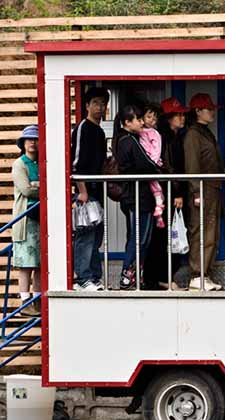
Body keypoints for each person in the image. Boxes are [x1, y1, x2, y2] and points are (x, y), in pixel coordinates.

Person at [112, 104, 161, 290]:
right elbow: (146, 164)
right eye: (138, 119)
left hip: (134, 195)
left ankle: (134, 276)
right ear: (127, 122)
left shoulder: (123, 139)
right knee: (139, 237)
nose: (142, 123)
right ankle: (127, 275)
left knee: (139, 237)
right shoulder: (129, 140)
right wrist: (158, 168)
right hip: (137, 195)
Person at [143, 96, 190, 290]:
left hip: (167, 192)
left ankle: (163, 276)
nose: (182, 118)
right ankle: (159, 278)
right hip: (167, 193)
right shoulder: (165, 138)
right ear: (168, 118)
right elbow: (169, 168)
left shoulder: (174, 136)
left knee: (169, 236)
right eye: (177, 115)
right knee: (162, 238)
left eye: (182, 114)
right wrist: (177, 192)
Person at [70, 86, 110, 291]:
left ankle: (94, 277)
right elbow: (76, 164)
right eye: (95, 103)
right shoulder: (82, 128)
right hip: (85, 193)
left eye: (103, 103)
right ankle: (82, 278)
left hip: (97, 191)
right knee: (85, 235)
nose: (100, 107)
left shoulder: (100, 131)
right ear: (86, 105)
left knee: (96, 236)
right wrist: (82, 190)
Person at [184, 93, 224, 291]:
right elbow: (192, 165)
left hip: (213, 187)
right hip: (203, 188)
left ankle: (205, 274)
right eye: (208, 109)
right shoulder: (193, 134)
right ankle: (196, 275)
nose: (212, 112)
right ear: (198, 111)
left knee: (211, 233)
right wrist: (196, 191)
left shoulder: (206, 132)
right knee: (201, 231)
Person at [11, 125, 41, 316]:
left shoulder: (40, 163)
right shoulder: (19, 164)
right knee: (26, 263)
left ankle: (37, 301)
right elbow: (26, 189)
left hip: (40, 218)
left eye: (35, 139)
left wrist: (37, 185)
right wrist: (41, 187)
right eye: (28, 139)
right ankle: (25, 301)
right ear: (22, 143)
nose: (32, 142)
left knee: (39, 262)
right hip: (25, 219)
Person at [139, 103, 166, 230]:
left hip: (151, 164)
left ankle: (159, 207)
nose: (151, 120)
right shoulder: (138, 132)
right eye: (149, 117)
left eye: (154, 118)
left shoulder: (155, 133)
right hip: (144, 165)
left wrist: (152, 163)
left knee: (155, 186)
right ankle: (158, 212)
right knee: (152, 186)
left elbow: (157, 150)